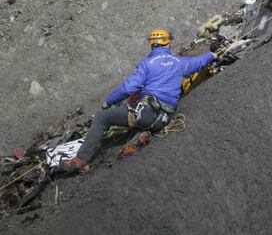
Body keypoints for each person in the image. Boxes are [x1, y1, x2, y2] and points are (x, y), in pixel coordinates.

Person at [60, 28, 216, 173]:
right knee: (138, 114)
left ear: (152, 45)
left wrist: (108, 102)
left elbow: (128, 88)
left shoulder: (147, 64)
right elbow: (199, 62)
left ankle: (81, 160)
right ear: (168, 43)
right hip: (165, 118)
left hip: (147, 113)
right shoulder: (179, 62)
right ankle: (143, 133)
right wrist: (213, 54)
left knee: (102, 118)